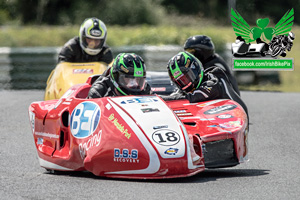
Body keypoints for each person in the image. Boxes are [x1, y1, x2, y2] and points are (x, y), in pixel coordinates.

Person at [160, 51, 248, 116]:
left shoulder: (214, 79)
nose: (186, 84)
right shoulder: (184, 91)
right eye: (180, 82)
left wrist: (160, 98)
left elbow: (193, 97)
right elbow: (174, 97)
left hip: (235, 117)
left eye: (186, 78)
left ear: (195, 69)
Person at [87, 53, 152, 98]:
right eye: (129, 79)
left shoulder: (145, 88)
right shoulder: (99, 91)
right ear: (116, 77)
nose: (134, 84)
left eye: (138, 80)